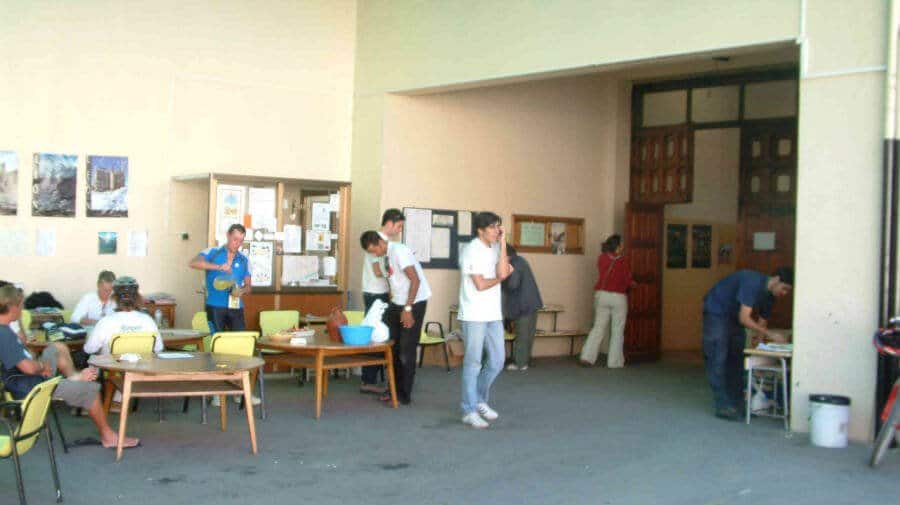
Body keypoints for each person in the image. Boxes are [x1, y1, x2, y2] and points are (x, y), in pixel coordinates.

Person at [0, 285, 139, 448]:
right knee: (90, 390)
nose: (23, 309)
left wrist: (39, 365)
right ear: (12, 307)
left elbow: (23, 356)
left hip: (28, 375)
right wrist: (41, 365)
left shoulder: (6, 329)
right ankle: (108, 436)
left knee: (57, 347)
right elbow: (28, 368)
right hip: (30, 385)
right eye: (21, 305)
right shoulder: (4, 334)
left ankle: (73, 377)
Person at [702, 267, 793, 421]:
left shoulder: (770, 297)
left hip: (734, 317)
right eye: (784, 288)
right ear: (776, 279)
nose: (784, 294)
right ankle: (723, 405)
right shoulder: (752, 282)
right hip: (717, 311)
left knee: (737, 358)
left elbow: (762, 324)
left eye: (788, 291)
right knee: (718, 357)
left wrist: (760, 345)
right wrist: (770, 334)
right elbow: (745, 318)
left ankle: (738, 404)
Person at [360, 230, 431, 405]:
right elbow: (395, 282)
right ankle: (393, 389)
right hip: (398, 303)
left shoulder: (399, 251)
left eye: (374, 250)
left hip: (414, 302)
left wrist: (408, 309)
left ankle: (403, 395)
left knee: (406, 351)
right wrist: (395, 306)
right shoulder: (385, 256)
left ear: (380, 243)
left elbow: (415, 280)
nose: (374, 254)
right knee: (392, 347)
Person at [458, 212, 513, 429]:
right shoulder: (471, 250)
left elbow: (503, 270)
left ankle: (479, 400)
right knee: (473, 363)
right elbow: (480, 284)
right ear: (480, 230)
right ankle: (468, 409)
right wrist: (501, 277)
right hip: (473, 314)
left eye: (498, 227)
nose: (496, 230)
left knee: (498, 361)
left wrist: (503, 243)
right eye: (492, 227)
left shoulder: (496, 247)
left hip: (493, 314)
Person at [359, 209, 405, 394]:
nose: (400, 230)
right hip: (375, 294)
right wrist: (395, 275)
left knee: (383, 335)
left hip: (381, 293)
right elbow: (379, 271)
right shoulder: (375, 241)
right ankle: (368, 379)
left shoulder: (389, 243)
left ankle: (378, 378)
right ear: (390, 223)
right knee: (376, 336)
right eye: (399, 226)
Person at [579, 234, 634, 368]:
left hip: (602, 295)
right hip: (618, 297)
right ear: (618, 246)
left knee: (598, 327)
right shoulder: (623, 261)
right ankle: (614, 362)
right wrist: (633, 284)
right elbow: (627, 281)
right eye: (622, 243)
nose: (623, 246)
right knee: (617, 330)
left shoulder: (602, 258)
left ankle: (587, 356)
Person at [189, 224, 252, 333]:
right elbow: (194, 263)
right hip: (215, 306)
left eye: (241, 241)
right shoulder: (213, 252)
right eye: (235, 239)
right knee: (217, 341)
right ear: (228, 236)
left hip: (236, 307)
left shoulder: (244, 259)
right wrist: (218, 267)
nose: (238, 244)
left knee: (239, 341)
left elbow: (249, 286)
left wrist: (242, 290)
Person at [84, 276, 162, 356]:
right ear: (137, 297)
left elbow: (89, 349)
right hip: (142, 368)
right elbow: (158, 348)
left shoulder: (105, 322)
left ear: (114, 297)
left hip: (111, 368)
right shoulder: (148, 321)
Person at [501, 245, 543, 371]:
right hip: (531, 303)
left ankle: (520, 363)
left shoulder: (513, 264)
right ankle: (524, 361)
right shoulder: (521, 261)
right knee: (528, 334)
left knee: (522, 335)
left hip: (522, 305)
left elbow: (513, 284)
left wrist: (501, 281)